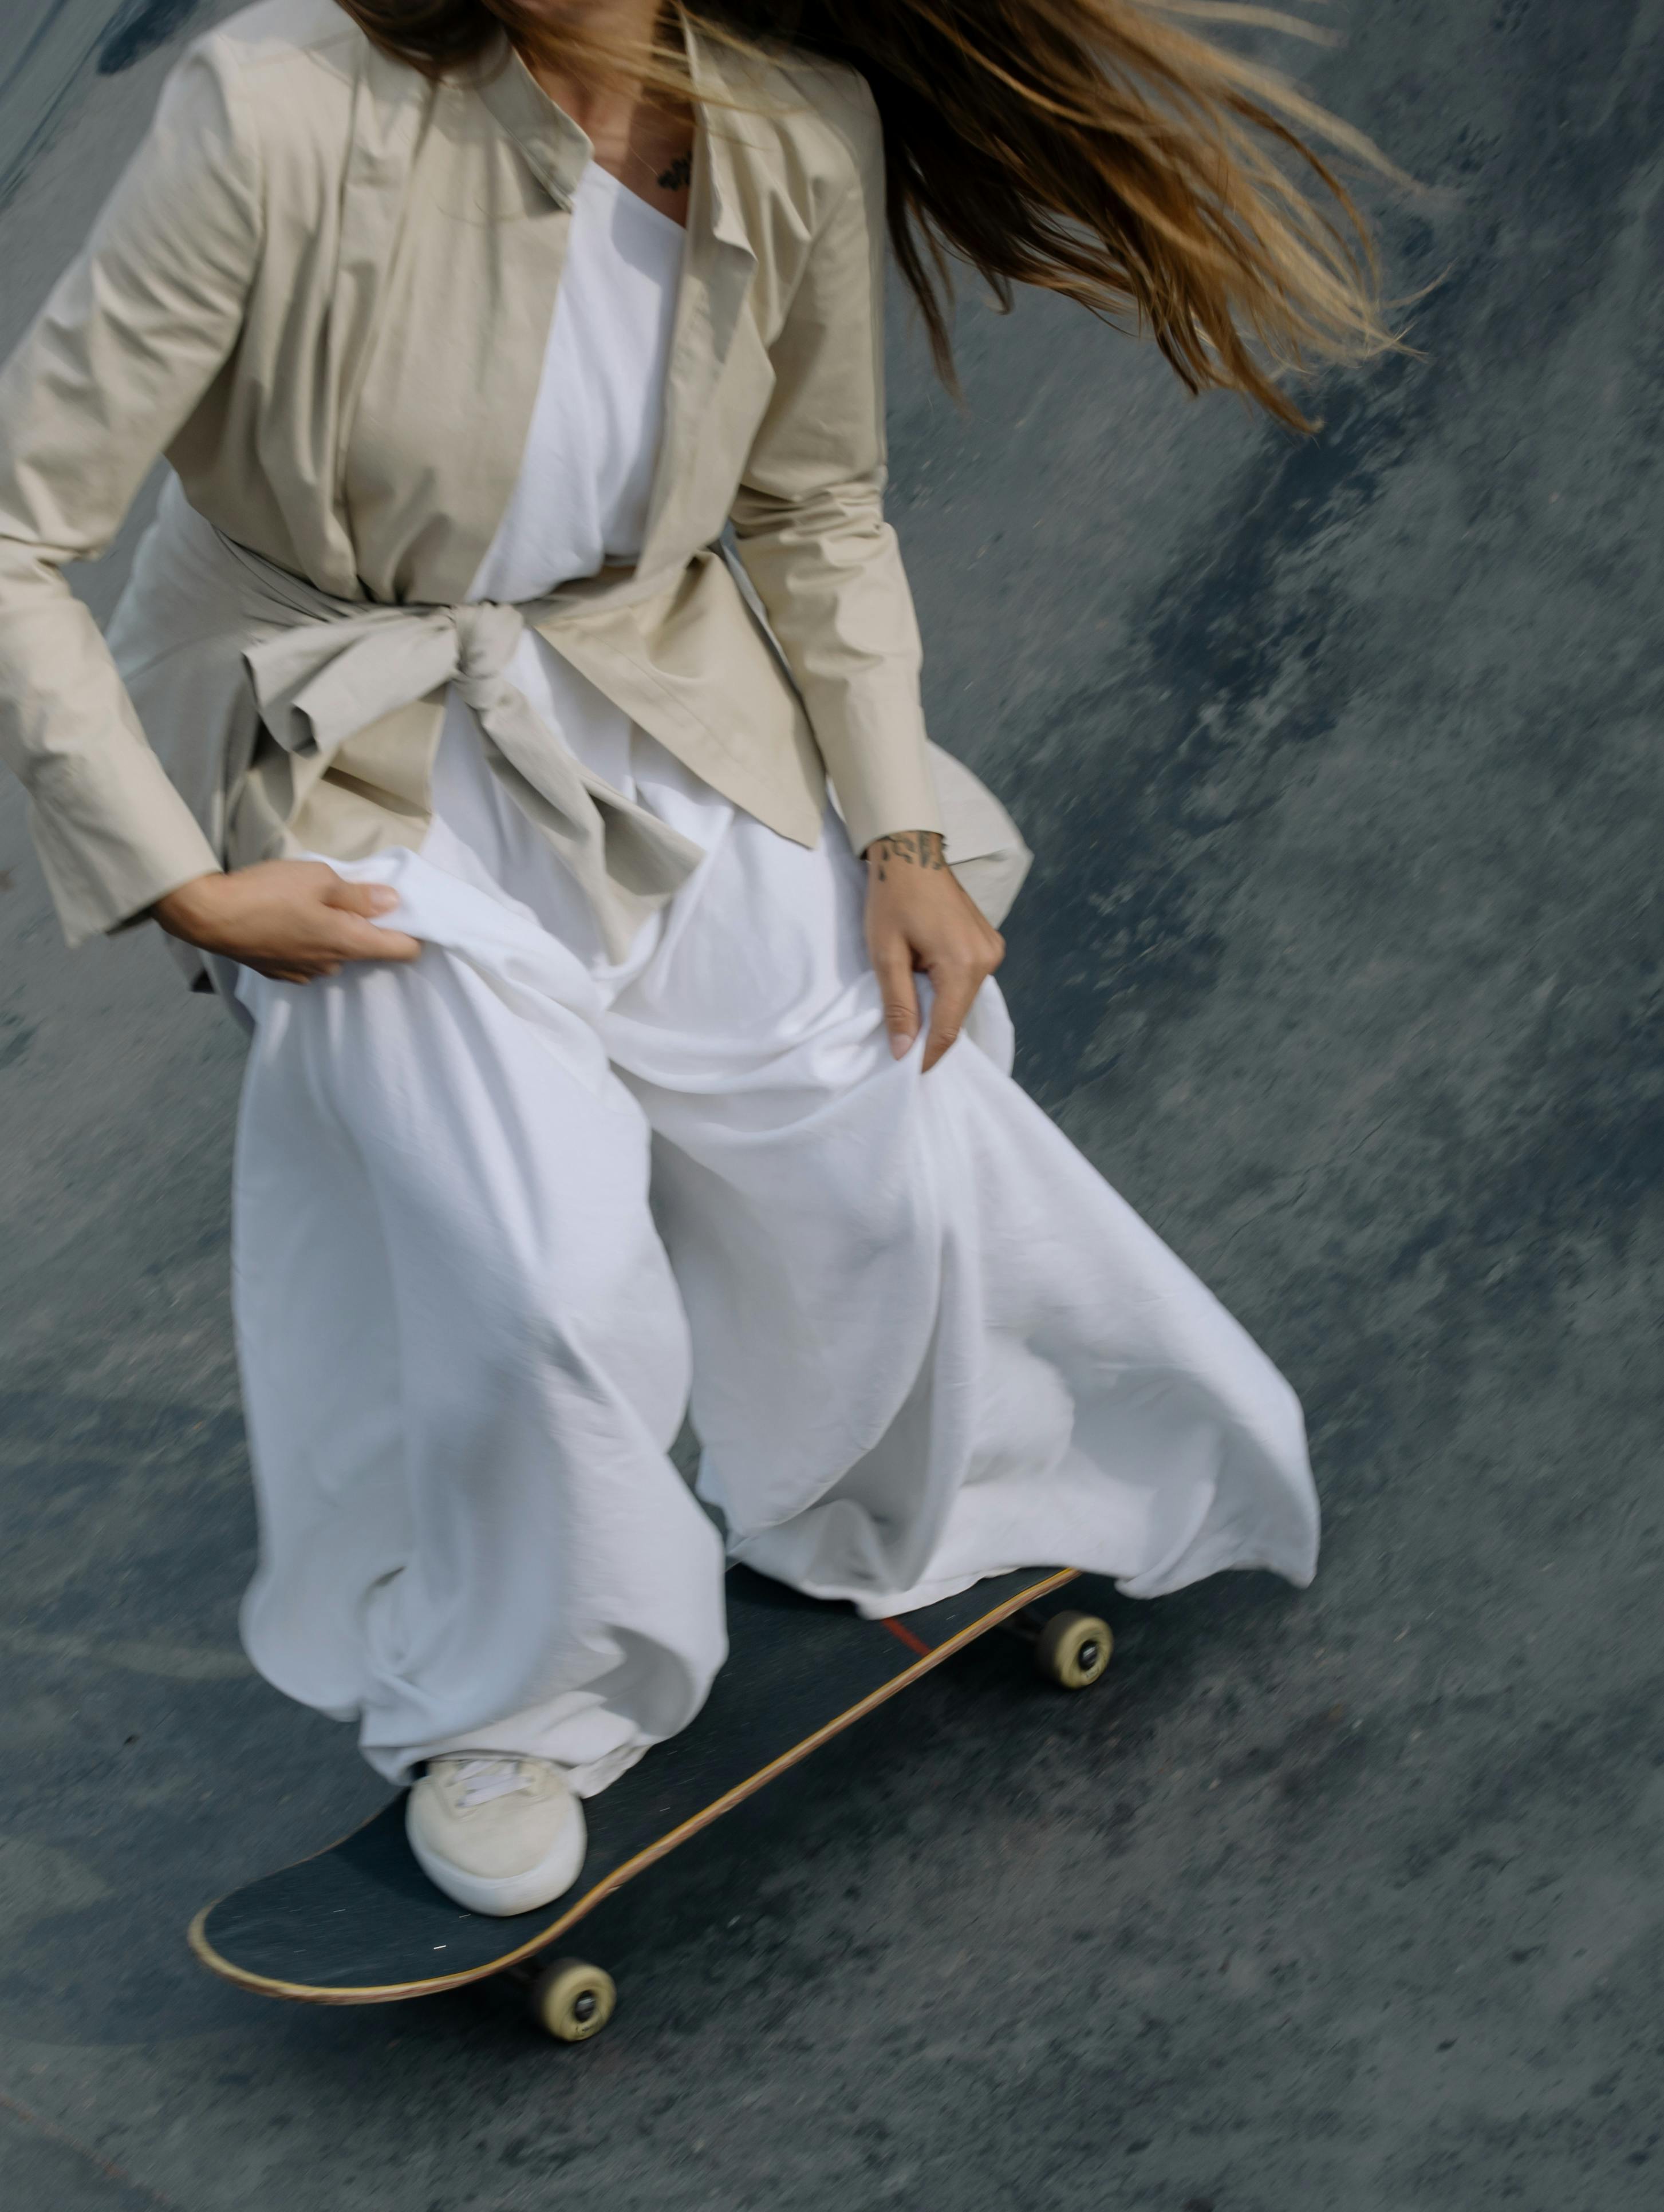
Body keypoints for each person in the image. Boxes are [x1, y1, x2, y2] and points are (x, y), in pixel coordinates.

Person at [0, 0, 1385, 1915]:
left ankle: (897, 1497)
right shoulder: (280, 103)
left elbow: (813, 509)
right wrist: (172, 877)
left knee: (881, 1123)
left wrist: (899, 837)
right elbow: (15, 528)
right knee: (542, 1269)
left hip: (640, 692)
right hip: (349, 747)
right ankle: (518, 1702)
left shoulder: (790, 123)